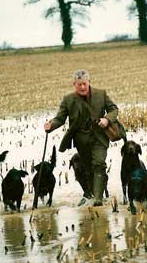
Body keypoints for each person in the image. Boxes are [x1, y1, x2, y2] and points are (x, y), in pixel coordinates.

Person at [44, 69, 120, 206]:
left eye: (84, 84)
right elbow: (60, 119)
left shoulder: (101, 94)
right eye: (79, 85)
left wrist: (107, 120)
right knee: (88, 168)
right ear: (74, 84)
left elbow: (114, 109)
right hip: (81, 140)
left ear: (89, 82)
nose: (83, 87)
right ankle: (90, 192)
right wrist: (51, 125)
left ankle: (97, 199)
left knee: (99, 164)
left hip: (99, 137)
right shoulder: (68, 99)